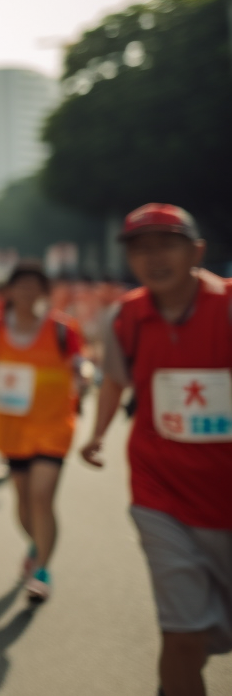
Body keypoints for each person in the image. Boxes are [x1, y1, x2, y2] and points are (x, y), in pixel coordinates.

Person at [81, 204, 232, 696]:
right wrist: (99, 433)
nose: (154, 258)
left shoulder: (228, 307)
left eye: (166, 244)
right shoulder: (125, 317)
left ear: (197, 251)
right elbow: (115, 383)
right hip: (161, 494)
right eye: (141, 249)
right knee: (182, 636)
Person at [0, 261, 86, 603]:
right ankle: (38, 543)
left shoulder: (63, 329)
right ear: (9, 291)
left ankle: (41, 569)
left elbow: (81, 364)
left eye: (33, 286)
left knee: (41, 495)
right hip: (13, 427)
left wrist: (83, 380)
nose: (26, 292)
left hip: (54, 425)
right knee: (23, 501)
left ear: (43, 292)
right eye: (20, 285)